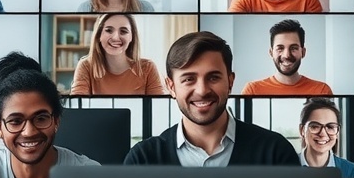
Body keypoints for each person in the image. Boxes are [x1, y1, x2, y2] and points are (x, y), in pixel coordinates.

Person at [123, 31, 299, 166]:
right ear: (171, 87)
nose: (202, 90)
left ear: (230, 81)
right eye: (188, 79)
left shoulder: (276, 153)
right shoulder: (142, 159)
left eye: (213, 78)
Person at [70, 13, 164, 95]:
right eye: (109, 30)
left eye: (123, 31)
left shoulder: (148, 68)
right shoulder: (86, 66)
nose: (115, 37)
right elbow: (78, 109)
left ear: (131, 37)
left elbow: (158, 108)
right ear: (99, 35)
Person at [241, 19, 333, 96]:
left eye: (293, 48)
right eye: (280, 48)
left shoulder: (322, 90)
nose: (286, 55)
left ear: (303, 52)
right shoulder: (252, 90)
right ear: (271, 53)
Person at [297, 98, 354, 178]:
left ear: (337, 132)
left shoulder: (351, 170)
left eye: (330, 127)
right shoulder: (285, 167)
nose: (323, 133)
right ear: (302, 130)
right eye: (315, 126)